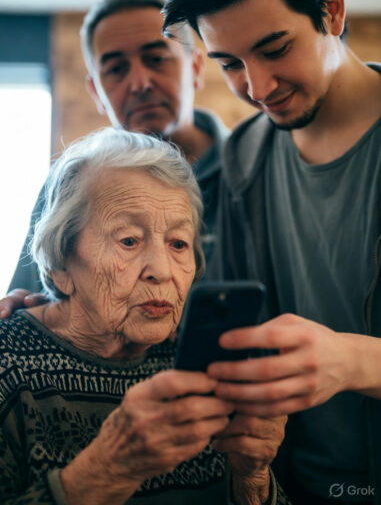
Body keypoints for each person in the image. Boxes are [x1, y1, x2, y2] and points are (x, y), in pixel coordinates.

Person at [163, 0, 381, 504]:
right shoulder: (243, 160)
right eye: (231, 63)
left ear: (331, 10)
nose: (257, 89)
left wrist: (355, 360)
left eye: (275, 48)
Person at [0, 126, 289, 504]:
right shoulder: (10, 369)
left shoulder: (199, 363)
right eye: (129, 240)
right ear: (60, 266)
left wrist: (252, 479)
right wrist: (107, 471)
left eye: (178, 244)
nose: (163, 270)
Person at [2, 0, 229, 311]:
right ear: (96, 90)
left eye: (156, 59)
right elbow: (37, 291)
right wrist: (24, 307)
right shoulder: (68, 187)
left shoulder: (254, 165)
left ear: (194, 69)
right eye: (116, 69)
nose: (139, 83)